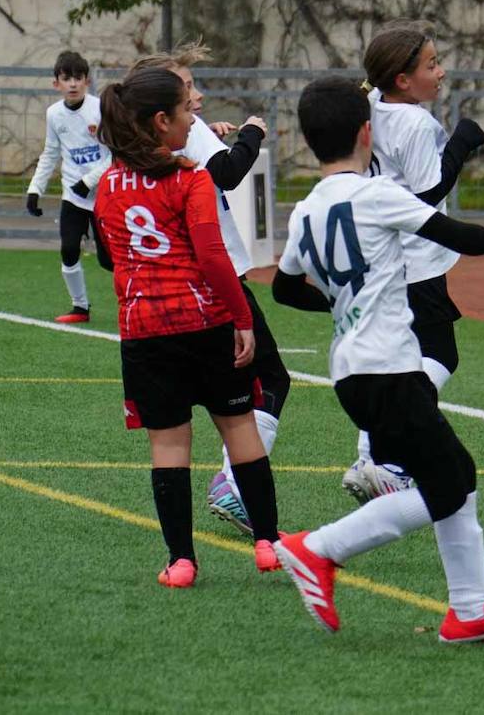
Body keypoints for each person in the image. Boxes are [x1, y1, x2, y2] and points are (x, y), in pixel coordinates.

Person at [270, 77, 484, 642]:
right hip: (389, 366)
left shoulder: (306, 211)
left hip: (352, 371)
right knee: (455, 480)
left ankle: (469, 612)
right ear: (366, 132)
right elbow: (453, 232)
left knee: (447, 477)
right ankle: (317, 549)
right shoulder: (374, 192)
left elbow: (284, 289)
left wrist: (347, 305)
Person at [92, 66, 281, 587]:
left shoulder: (108, 183)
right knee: (240, 429)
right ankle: (267, 543)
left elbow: (110, 256)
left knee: (169, 447)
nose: (191, 119)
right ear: (160, 121)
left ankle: (181, 561)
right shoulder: (190, 177)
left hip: (144, 330)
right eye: (184, 112)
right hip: (203, 322)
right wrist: (242, 320)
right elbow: (213, 255)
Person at [126, 44, 291, 532]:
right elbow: (227, 173)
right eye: (187, 86)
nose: (196, 96)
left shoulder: (144, 140)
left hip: (161, 291)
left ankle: (183, 550)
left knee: (179, 422)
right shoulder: (184, 127)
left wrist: (212, 136)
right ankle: (234, 488)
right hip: (213, 277)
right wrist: (253, 136)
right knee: (265, 383)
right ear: (163, 109)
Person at [340, 21, 484, 505]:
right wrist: (463, 142)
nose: (441, 71)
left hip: (381, 256)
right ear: (403, 79)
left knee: (396, 357)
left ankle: (372, 458)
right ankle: (387, 459)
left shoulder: (371, 109)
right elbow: (427, 193)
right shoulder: (416, 123)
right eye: (431, 64)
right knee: (439, 356)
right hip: (416, 261)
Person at [25, 50, 113, 323]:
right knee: (69, 248)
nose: (72, 84)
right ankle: (80, 308)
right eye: (66, 78)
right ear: (56, 84)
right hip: (73, 197)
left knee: (109, 260)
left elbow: (115, 154)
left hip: (105, 195)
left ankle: (139, 301)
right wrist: (34, 189)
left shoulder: (99, 109)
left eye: (78, 78)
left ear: (87, 81)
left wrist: (90, 181)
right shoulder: (54, 114)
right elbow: (51, 153)